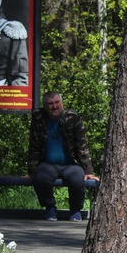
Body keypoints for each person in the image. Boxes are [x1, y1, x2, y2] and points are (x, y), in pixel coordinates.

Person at [27, 91, 96, 221]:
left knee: (77, 179)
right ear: (45, 106)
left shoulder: (72, 118)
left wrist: (88, 171)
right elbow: (34, 146)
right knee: (40, 178)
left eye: (57, 102)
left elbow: (82, 144)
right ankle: (50, 208)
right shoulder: (38, 118)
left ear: (61, 103)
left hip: (70, 164)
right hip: (48, 164)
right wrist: (32, 170)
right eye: (50, 104)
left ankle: (75, 211)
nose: (54, 106)